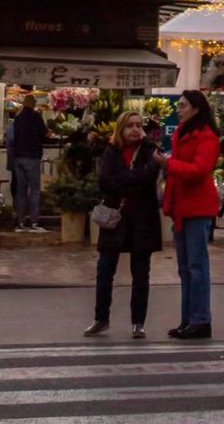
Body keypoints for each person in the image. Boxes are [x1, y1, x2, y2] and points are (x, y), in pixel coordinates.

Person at [83, 111, 162, 339]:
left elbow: (149, 178)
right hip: (115, 217)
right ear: (121, 129)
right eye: (130, 126)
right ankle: (101, 318)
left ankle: (138, 322)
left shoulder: (150, 150)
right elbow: (106, 182)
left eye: (138, 125)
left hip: (142, 219)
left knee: (140, 273)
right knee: (105, 270)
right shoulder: (112, 151)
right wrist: (134, 178)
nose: (135, 130)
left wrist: (126, 180)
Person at [154, 90, 220, 339]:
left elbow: (199, 169)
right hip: (183, 206)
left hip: (197, 207)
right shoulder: (184, 133)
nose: (178, 109)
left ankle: (200, 320)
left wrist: (168, 164)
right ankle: (189, 319)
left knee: (196, 266)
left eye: (182, 105)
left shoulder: (206, 137)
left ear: (196, 109)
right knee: (186, 267)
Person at [12, 94, 48, 232]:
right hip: (32, 157)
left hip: (18, 157)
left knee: (20, 191)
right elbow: (44, 133)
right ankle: (34, 222)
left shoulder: (18, 118)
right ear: (33, 103)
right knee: (34, 191)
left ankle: (20, 222)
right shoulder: (36, 117)